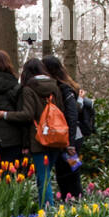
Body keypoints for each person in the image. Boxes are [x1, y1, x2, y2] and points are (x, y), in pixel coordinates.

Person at [0, 58, 67, 208]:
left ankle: (48, 211)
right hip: (57, 137)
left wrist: (6, 115)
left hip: (39, 139)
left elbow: (27, 115)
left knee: (43, 177)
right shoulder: (55, 87)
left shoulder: (28, 89)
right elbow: (62, 111)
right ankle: (45, 209)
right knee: (46, 175)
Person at [42, 56, 83, 199]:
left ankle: (74, 202)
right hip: (68, 138)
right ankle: (72, 201)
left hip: (69, 139)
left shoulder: (64, 89)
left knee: (69, 173)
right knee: (67, 172)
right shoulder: (67, 86)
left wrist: (70, 143)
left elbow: (72, 116)